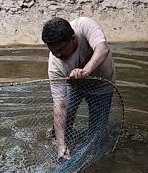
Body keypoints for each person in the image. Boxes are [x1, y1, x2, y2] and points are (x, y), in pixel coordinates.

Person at [41, 17, 116, 160]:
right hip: (74, 86)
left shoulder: (84, 26)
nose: (57, 54)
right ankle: (63, 147)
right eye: (52, 50)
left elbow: (102, 49)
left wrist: (85, 71)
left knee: (96, 135)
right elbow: (59, 104)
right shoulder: (55, 65)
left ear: (73, 38)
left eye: (61, 49)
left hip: (101, 85)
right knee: (64, 120)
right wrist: (61, 145)